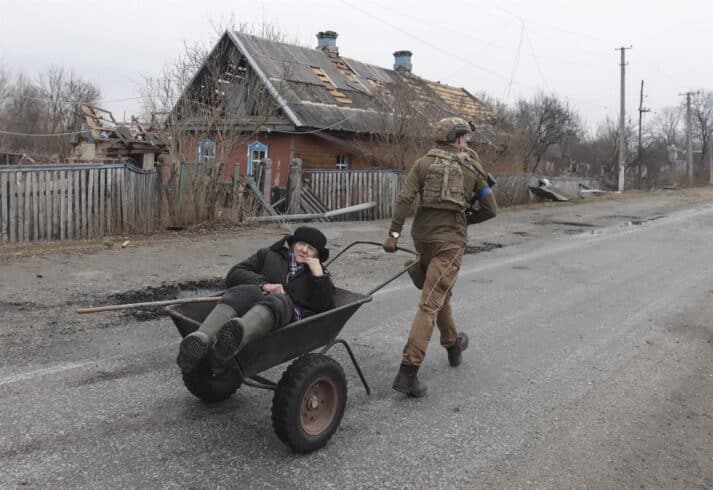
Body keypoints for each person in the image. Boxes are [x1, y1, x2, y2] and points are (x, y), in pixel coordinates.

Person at [383, 117, 498, 397]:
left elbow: (404, 199)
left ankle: (452, 344)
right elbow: (490, 209)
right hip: (449, 243)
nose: (468, 143)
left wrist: (394, 235)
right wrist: (464, 220)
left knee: (438, 291)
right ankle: (408, 371)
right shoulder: (472, 167)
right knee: (430, 302)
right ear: (458, 139)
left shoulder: (423, 163)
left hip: (422, 238)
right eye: (466, 138)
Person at [177, 226, 336, 374]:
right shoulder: (269, 255)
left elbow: (327, 309)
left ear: (316, 255)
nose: (305, 250)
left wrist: (319, 276)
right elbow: (234, 274)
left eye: (311, 249)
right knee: (242, 291)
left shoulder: (319, 275)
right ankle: (201, 339)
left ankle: (233, 339)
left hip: (288, 316)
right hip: (255, 305)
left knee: (279, 301)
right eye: (302, 244)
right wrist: (264, 285)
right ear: (293, 243)